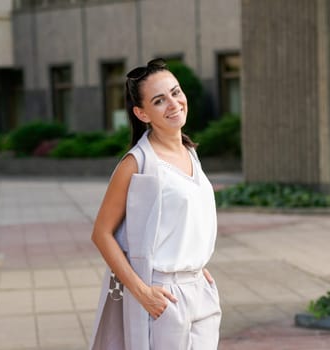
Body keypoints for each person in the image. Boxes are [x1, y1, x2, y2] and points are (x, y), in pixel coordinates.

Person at [89, 58, 221, 350]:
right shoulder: (138, 163)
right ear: (142, 113)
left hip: (200, 288)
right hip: (164, 295)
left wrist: (194, 264)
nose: (174, 103)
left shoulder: (190, 153)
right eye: (160, 100)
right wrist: (142, 293)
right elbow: (101, 233)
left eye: (176, 92)